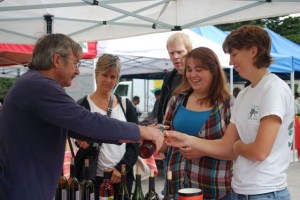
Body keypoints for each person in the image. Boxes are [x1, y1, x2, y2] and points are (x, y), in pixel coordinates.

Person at [0, 33, 164, 200]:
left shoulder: (33, 83)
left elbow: (79, 128)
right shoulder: (40, 86)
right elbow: (87, 122)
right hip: (23, 188)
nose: (77, 70)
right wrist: (139, 131)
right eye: (75, 63)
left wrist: (134, 135)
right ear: (57, 60)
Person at [164, 25, 294, 200]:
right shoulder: (245, 94)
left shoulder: (273, 89)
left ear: (253, 51)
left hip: (266, 191)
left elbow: (259, 151)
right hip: (240, 190)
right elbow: (226, 146)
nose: (231, 62)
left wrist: (237, 146)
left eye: (234, 54)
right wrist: (185, 139)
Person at [160, 47, 233, 199]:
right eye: (189, 70)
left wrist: (202, 149)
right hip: (177, 186)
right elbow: (164, 140)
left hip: (214, 189)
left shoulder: (228, 104)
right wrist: (150, 138)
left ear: (213, 71)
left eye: (198, 69)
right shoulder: (177, 101)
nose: (192, 75)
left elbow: (235, 150)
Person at [74, 54, 138, 200]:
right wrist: (80, 141)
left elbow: (134, 144)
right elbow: (74, 136)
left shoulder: (126, 106)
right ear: (96, 74)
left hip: (121, 177)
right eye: (105, 75)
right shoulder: (82, 105)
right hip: (92, 178)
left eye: (113, 76)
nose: (108, 80)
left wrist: (122, 168)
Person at [157, 32, 192, 124]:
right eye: (171, 53)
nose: (175, 57)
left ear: (189, 52)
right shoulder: (168, 78)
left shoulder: (198, 78)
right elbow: (162, 109)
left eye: (180, 52)